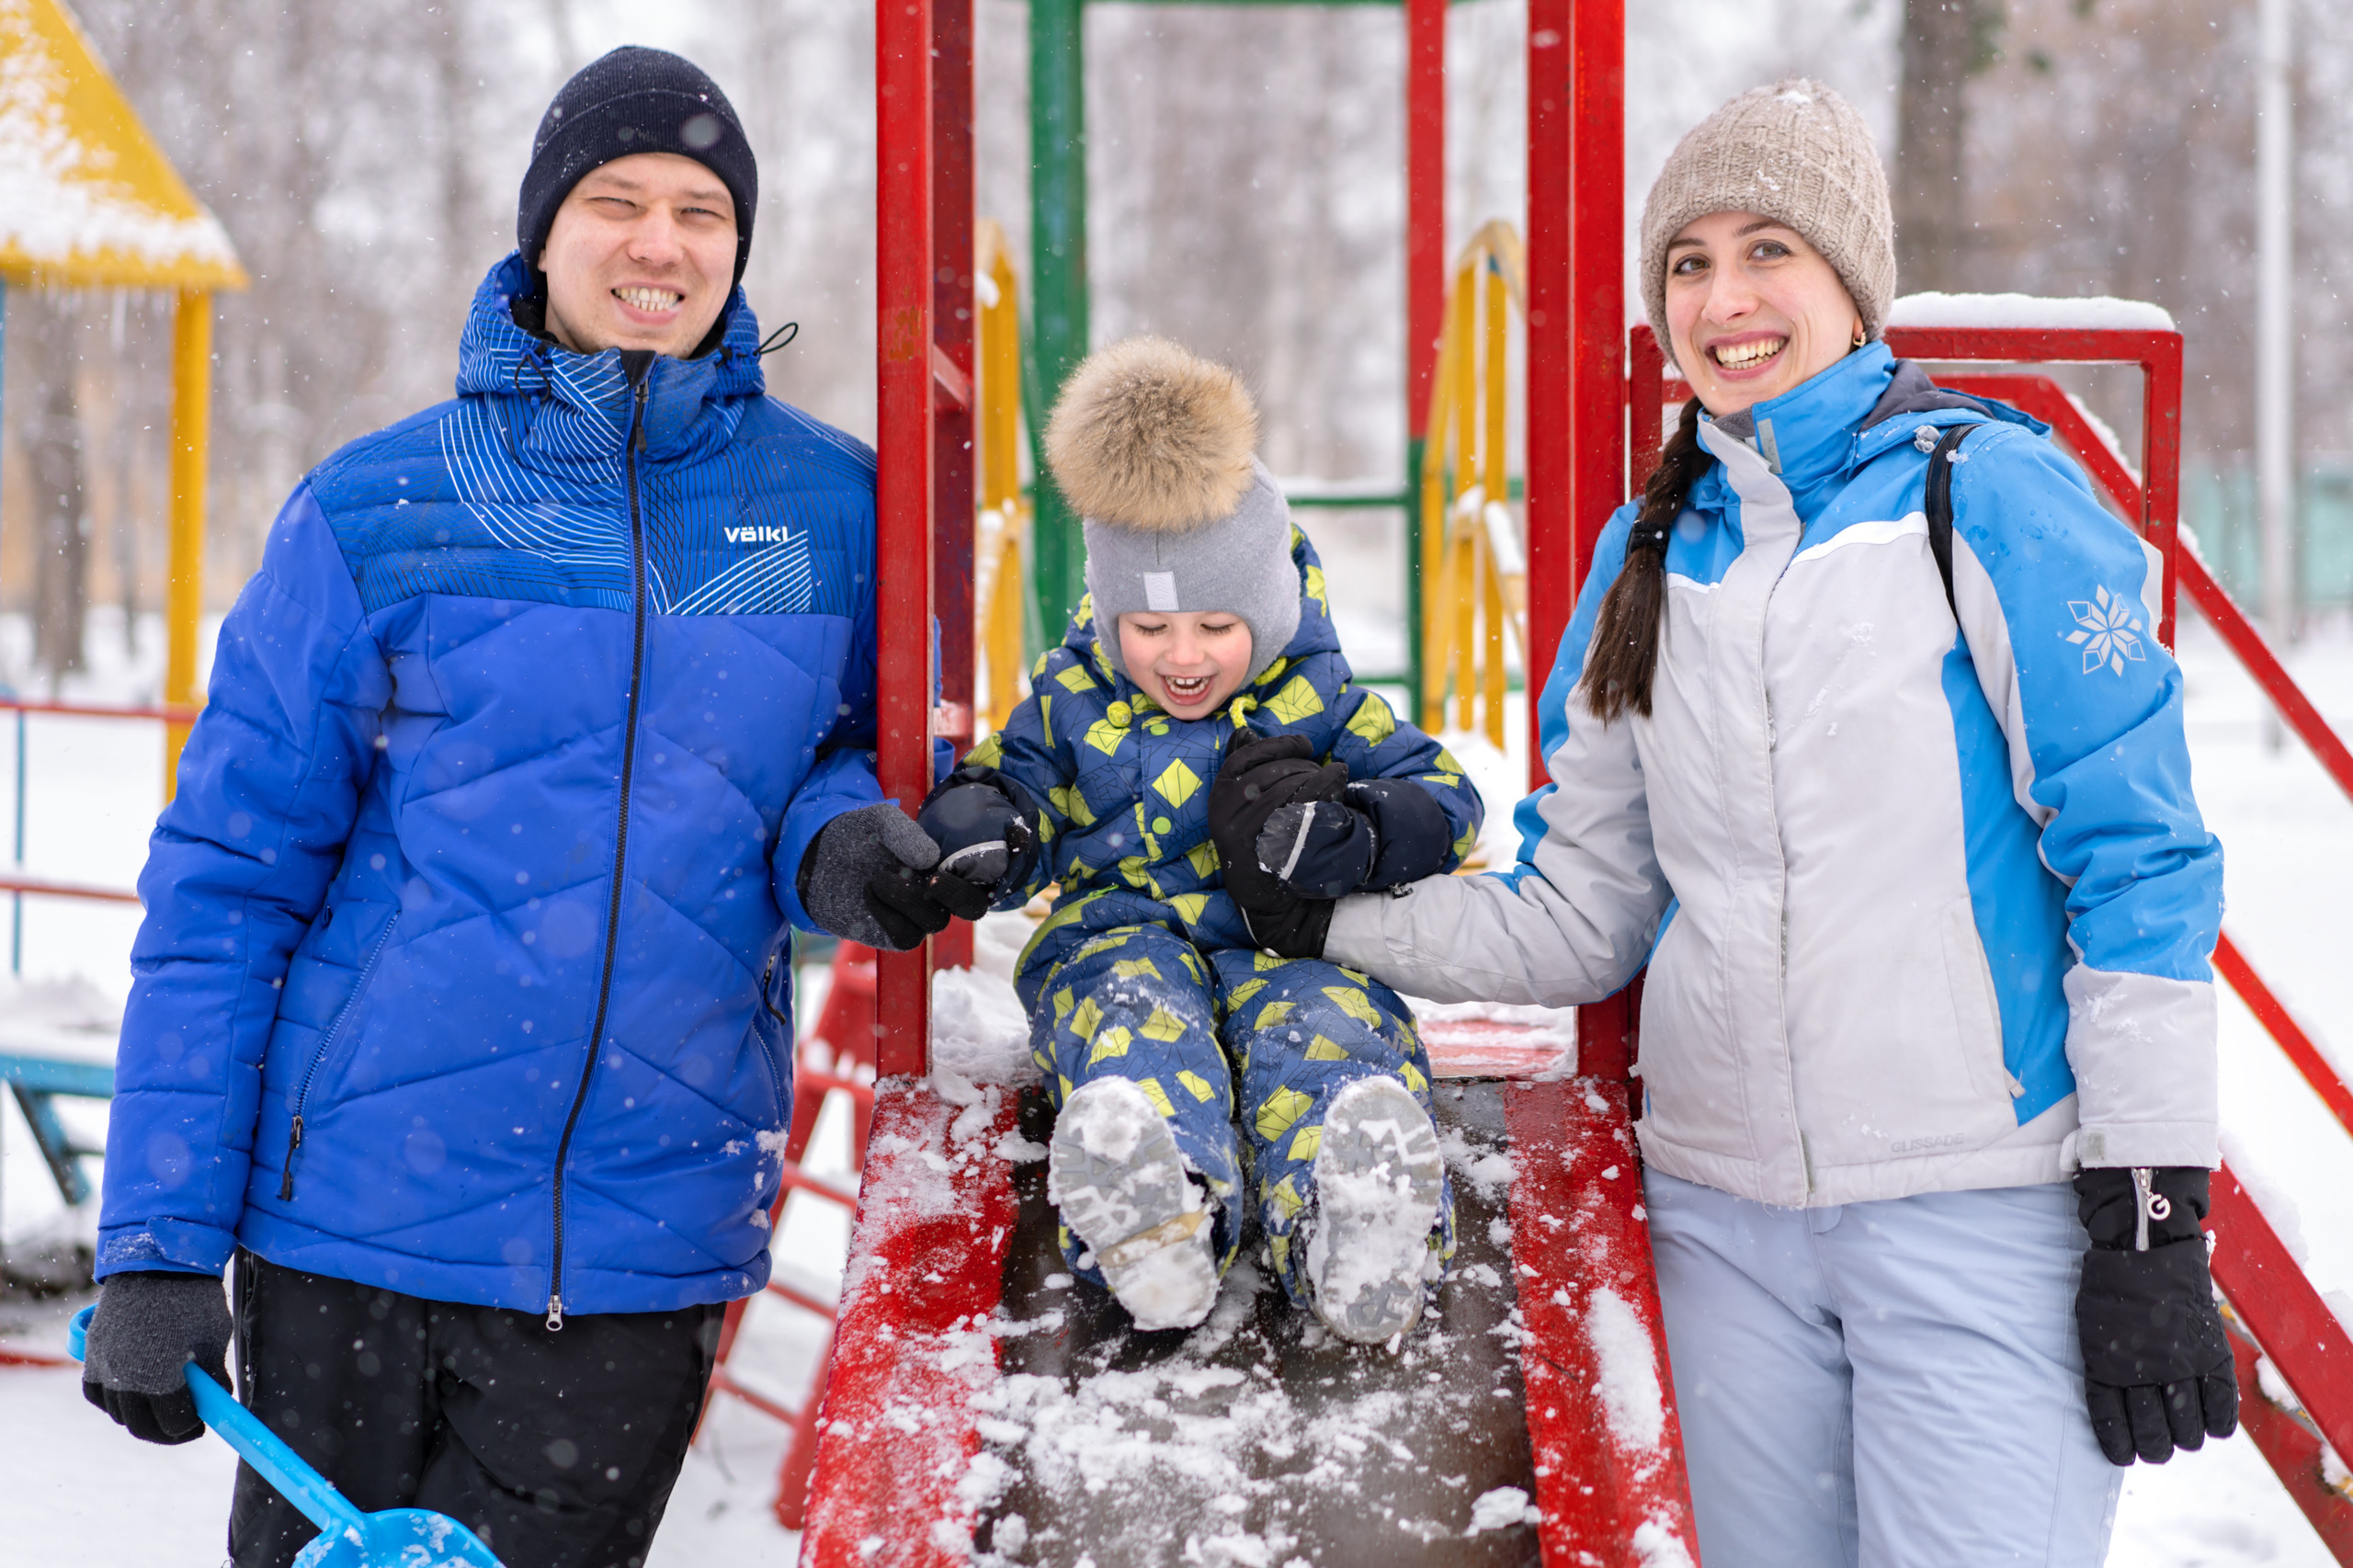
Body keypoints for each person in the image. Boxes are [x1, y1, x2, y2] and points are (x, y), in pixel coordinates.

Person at [1215, 80, 2235, 1564]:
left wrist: (2152, 1210)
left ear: (1850, 278)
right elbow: (1588, 915)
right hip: (1722, 1222)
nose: (1725, 297)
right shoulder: (1649, 558)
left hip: (1974, 1203)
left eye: (1770, 250)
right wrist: (1321, 918)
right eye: (1688, 262)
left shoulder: (1987, 495)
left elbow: (2140, 858)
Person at [76, 46, 969, 1568]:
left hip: (640, 1237)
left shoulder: (832, 512)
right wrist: (158, 1239)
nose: (659, 243)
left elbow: (852, 761)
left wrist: (840, 843)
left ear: (740, 247)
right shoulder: (382, 509)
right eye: (616, 201)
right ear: (543, 230)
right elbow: (232, 878)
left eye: (701, 210)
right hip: (346, 1226)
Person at [917, 335, 1483, 1341]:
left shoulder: (1320, 701)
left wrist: (1362, 835)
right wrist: (988, 824)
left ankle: (1354, 1220)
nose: (1181, 657)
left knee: (1332, 1028)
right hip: (1121, 933)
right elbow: (1020, 788)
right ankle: (1158, 1219)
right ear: (1106, 611)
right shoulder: (1071, 698)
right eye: (1148, 628)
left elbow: (1444, 795)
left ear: (1267, 612)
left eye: (1216, 627)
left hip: (1288, 941)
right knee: (1132, 1022)